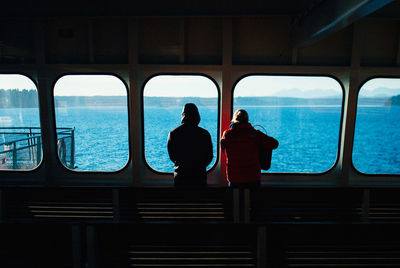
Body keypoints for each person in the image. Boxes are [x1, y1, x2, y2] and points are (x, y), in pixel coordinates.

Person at [221, 109, 278, 187]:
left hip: (234, 177)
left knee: (236, 198)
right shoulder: (256, 135)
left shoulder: (227, 135)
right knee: (252, 199)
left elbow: (223, 149)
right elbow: (275, 144)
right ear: (247, 120)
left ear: (234, 120)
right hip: (253, 177)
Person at [167, 103, 213, 187]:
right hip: (199, 175)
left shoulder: (173, 133)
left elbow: (172, 156)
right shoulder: (204, 134)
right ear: (197, 116)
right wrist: (200, 166)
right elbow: (209, 156)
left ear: (183, 115)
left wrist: (182, 164)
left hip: (180, 175)